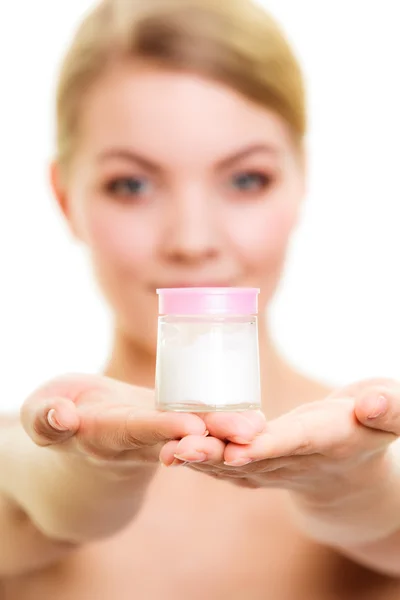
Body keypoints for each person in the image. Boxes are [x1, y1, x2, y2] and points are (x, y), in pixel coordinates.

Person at [1, 0, 400, 597]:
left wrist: (357, 490)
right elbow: (29, 494)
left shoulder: (379, 457)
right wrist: (73, 480)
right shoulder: (20, 468)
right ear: (65, 199)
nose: (193, 241)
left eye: (246, 179)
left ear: (300, 181)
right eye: (131, 185)